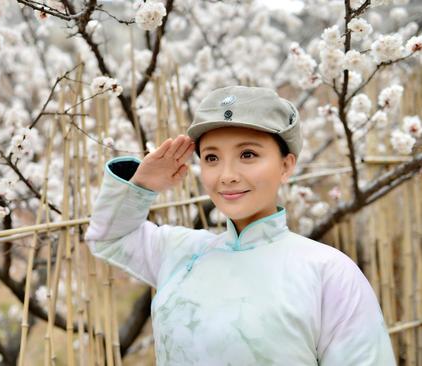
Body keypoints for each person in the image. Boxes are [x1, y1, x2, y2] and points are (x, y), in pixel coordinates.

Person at [84, 86, 395, 365]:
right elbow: (109, 237)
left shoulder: (328, 272)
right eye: (211, 158)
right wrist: (141, 186)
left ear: (286, 165)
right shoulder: (180, 252)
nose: (226, 175)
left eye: (248, 154)